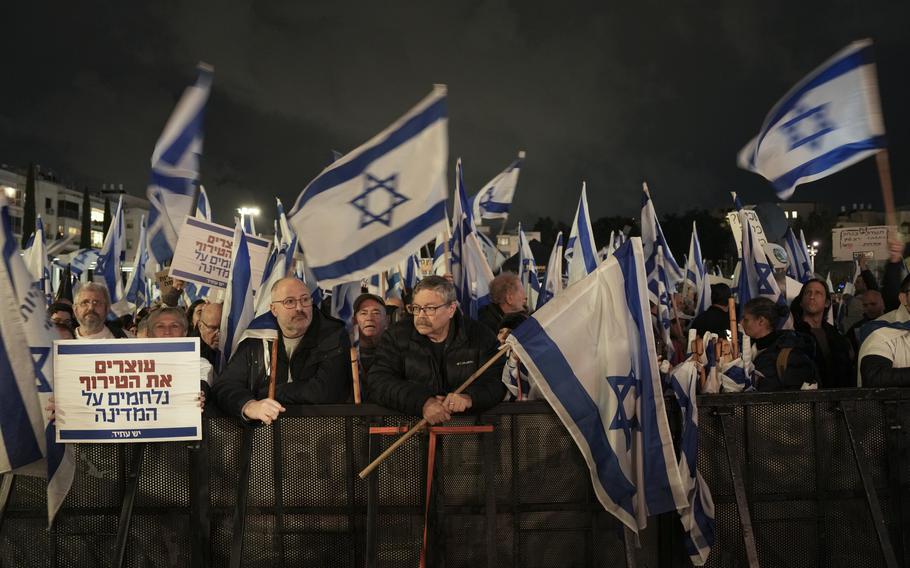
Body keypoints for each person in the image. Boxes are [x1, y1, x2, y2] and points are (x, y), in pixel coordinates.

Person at [367, 275, 506, 424]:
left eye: (430, 308)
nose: (420, 315)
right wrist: (423, 402)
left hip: (466, 433)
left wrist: (470, 398)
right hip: (412, 433)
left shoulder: (480, 336)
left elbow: (497, 380)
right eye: (416, 308)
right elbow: (378, 381)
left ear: (451, 309)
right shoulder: (396, 336)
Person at [213, 277, 351, 424]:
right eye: (290, 302)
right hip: (267, 434)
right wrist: (249, 405)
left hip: (323, 431)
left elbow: (325, 391)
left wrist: (267, 394)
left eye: (305, 300)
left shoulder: (333, 334)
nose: (299, 308)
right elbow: (224, 385)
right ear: (273, 309)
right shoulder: (257, 337)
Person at [742, 298, 817, 391]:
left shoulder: (792, 356)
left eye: (746, 319)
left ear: (761, 321)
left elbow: (797, 398)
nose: (741, 323)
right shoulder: (748, 349)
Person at [791, 278, 854, 388]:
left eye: (818, 293)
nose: (812, 296)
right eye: (808, 293)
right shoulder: (792, 334)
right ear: (801, 302)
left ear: (827, 303)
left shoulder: (836, 336)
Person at [352, 293, 388, 376]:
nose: (369, 318)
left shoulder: (395, 355)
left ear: (387, 320)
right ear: (354, 320)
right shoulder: (346, 357)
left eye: (376, 313)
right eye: (363, 313)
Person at [197, 303, 223, 372]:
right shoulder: (192, 354)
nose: (219, 333)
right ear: (200, 326)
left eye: (222, 328)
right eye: (213, 328)